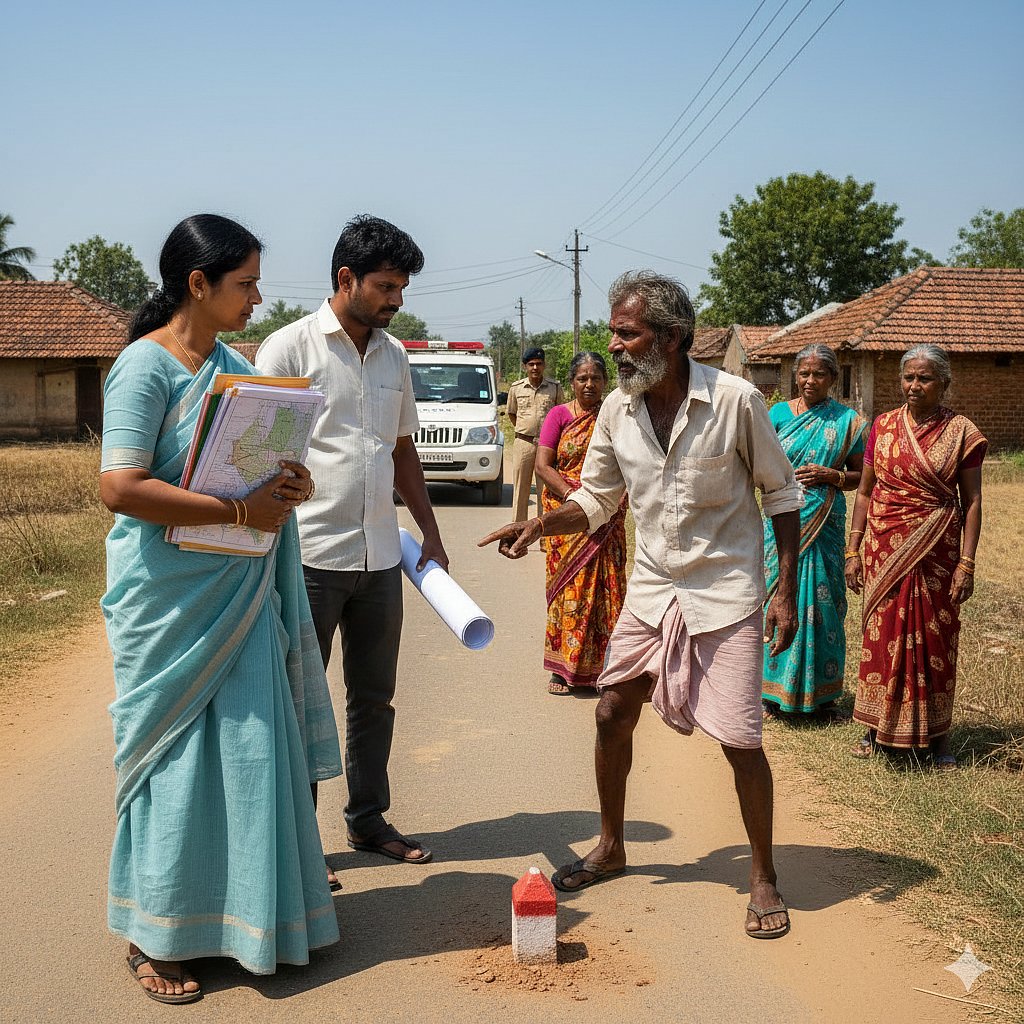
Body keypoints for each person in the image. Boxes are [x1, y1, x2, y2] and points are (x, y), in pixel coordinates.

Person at [481, 271, 802, 939]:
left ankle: (764, 875)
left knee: (742, 740)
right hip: (653, 588)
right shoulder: (619, 413)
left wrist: (786, 591)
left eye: (627, 334)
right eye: (614, 334)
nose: (615, 348)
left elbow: (781, 496)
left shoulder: (737, 401)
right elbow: (595, 500)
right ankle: (612, 844)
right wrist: (539, 525)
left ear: (673, 337)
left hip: (727, 592)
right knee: (610, 711)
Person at [100, 215, 342, 1003]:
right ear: (196, 285)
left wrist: (290, 487)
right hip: (168, 599)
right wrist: (241, 515)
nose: (257, 297)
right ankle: (156, 937)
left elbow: (267, 466)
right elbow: (120, 486)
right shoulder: (144, 369)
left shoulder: (239, 369)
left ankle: (249, 919)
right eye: (245, 283)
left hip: (237, 590)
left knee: (248, 754)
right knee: (173, 763)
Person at [256, 214, 447, 866]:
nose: (397, 300)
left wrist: (431, 531)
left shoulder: (395, 357)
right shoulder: (287, 351)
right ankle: (297, 848)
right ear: (347, 278)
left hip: (380, 557)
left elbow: (402, 451)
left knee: (374, 699)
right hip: (307, 557)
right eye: (388, 286)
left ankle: (368, 820)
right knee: (299, 701)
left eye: (402, 288)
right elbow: (261, 458)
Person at [846, 344, 985, 769]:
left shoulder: (963, 432)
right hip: (884, 550)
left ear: (943, 383)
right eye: (908, 377)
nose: (914, 385)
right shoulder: (883, 427)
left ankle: (938, 739)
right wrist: (853, 549)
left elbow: (973, 500)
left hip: (938, 552)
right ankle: (875, 730)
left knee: (936, 640)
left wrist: (967, 562)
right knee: (882, 636)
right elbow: (866, 492)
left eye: (924, 378)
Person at [761, 344, 866, 718]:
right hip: (779, 520)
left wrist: (831, 475)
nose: (810, 380)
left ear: (833, 378)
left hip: (825, 522)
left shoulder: (848, 421)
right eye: (804, 373)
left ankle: (822, 696)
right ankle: (771, 693)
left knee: (823, 603)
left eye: (819, 374)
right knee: (776, 594)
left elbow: (861, 478)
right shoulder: (775, 415)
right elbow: (761, 466)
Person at [534, 351, 627, 695]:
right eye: (582, 379)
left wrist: (611, 499)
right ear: (572, 383)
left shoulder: (615, 415)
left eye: (596, 378)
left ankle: (608, 667)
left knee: (608, 592)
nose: (590, 384)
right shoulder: (558, 415)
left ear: (606, 382)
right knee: (568, 590)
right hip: (567, 516)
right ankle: (563, 668)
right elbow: (543, 466)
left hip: (609, 512)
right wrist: (576, 497)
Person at [506, 348, 565, 524]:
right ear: (525, 366)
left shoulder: (554, 387)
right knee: (520, 490)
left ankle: (544, 535)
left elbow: (560, 413)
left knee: (545, 490)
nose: (535, 367)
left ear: (544, 365)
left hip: (547, 446)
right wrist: (526, 430)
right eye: (531, 364)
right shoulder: (516, 388)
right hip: (523, 443)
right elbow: (512, 413)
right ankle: (517, 532)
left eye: (538, 364)